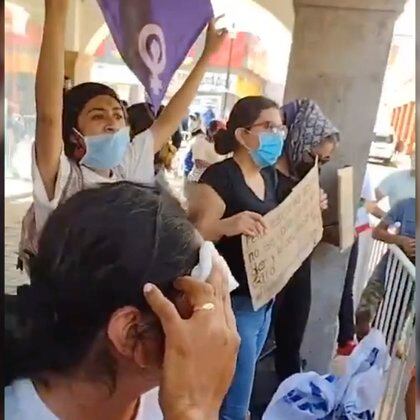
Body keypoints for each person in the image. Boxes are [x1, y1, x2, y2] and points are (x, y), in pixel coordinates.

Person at [5, 182, 240, 420]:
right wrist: (198, 411)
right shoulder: (184, 402)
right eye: (196, 305)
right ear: (132, 334)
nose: (216, 326)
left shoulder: (165, 393)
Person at [31, 0, 226, 235]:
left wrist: (207, 56)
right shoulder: (62, 178)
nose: (112, 122)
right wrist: (56, 13)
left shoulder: (127, 165)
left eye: (117, 114)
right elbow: (48, 116)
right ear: (74, 135)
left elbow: (170, 118)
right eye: (97, 116)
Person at [189, 96, 289, 420]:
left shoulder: (269, 176)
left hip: (263, 300)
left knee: (235, 391)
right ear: (243, 135)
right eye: (268, 127)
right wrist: (228, 225)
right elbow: (194, 235)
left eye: (280, 127)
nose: (278, 135)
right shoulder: (220, 178)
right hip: (232, 305)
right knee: (236, 403)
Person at [272, 98, 339, 384]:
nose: (316, 166)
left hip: (298, 271)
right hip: (272, 275)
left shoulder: (304, 176)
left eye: (323, 162)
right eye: (314, 157)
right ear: (299, 140)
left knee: (291, 337)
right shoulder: (270, 177)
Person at [336, 167, 385, 356]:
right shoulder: (358, 170)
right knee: (346, 286)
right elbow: (370, 203)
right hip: (347, 231)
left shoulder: (362, 171)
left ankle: (346, 337)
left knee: (347, 285)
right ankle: (346, 337)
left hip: (353, 231)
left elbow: (368, 203)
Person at [355, 197, 415, 340]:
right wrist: (401, 240)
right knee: (363, 313)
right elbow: (377, 232)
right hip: (389, 267)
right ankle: (364, 349)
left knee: (391, 328)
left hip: (410, 282)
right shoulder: (406, 204)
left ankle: (378, 357)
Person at [127, 102, 182, 189]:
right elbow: (177, 138)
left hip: (136, 161)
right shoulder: (165, 112)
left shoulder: (133, 111)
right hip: (157, 162)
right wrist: (168, 152)